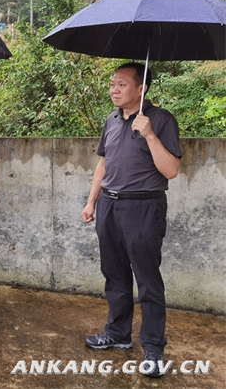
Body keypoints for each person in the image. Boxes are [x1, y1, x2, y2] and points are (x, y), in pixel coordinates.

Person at [81, 62, 181, 378]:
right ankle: (117, 333)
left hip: (144, 207)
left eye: (122, 84)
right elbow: (103, 164)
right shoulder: (111, 120)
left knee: (147, 280)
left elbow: (171, 170)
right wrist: (92, 201)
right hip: (109, 206)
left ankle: (153, 347)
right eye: (113, 83)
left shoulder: (161, 120)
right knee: (114, 274)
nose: (114, 89)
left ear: (142, 88)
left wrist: (149, 135)